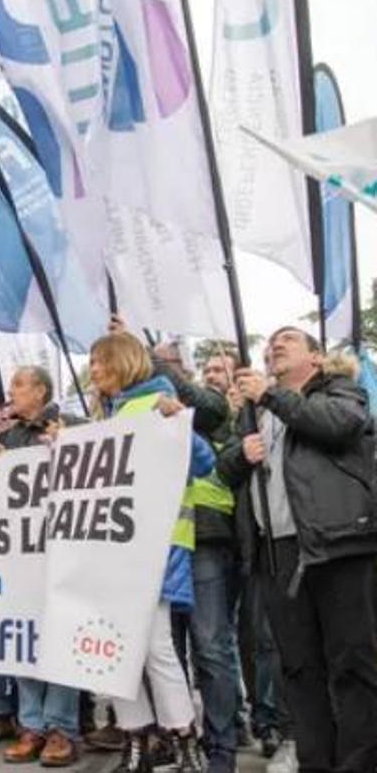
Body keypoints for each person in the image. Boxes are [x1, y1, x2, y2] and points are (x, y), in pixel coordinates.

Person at [218, 327, 377, 773]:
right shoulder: (255, 410)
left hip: (337, 546)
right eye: (270, 342)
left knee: (352, 665)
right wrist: (239, 456)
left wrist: (270, 395)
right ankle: (316, 761)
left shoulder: (341, 391)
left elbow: (338, 427)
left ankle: (359, 762)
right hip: (277, 554)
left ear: (316, 356)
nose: (274, 345)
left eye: (287, 339)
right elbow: (227, 468)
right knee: (299, 670)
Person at [89, 332, 211, 773]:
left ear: (122, 361)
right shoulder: (105, 413)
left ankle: (183, 739)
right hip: (112, 547)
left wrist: (180, 421)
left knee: (156, 645)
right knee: (115, 647)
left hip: (155, 546)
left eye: (100, 361)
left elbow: (203, 462)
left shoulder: (159, 400)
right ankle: (136, 737)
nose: (94, 370)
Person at [0, 366, 84, 767]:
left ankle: (61, 728)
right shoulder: (9, 436)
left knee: (60, 637)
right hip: (21, 554)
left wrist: (70, 443)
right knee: (24, 638)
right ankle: (32, 726)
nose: (11, 392)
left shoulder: (73, 424)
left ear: (41, 391)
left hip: (61, 549)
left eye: (19, 386)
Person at [154, 344, 244, 773]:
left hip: (204, 540)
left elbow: (210, 417)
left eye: (169, 361)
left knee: (210, 648)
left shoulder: (201, 403)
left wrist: (157, 369)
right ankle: (181, 741)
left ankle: (221, 748)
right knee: (168, 652)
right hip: (157, 545)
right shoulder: (139, 405)